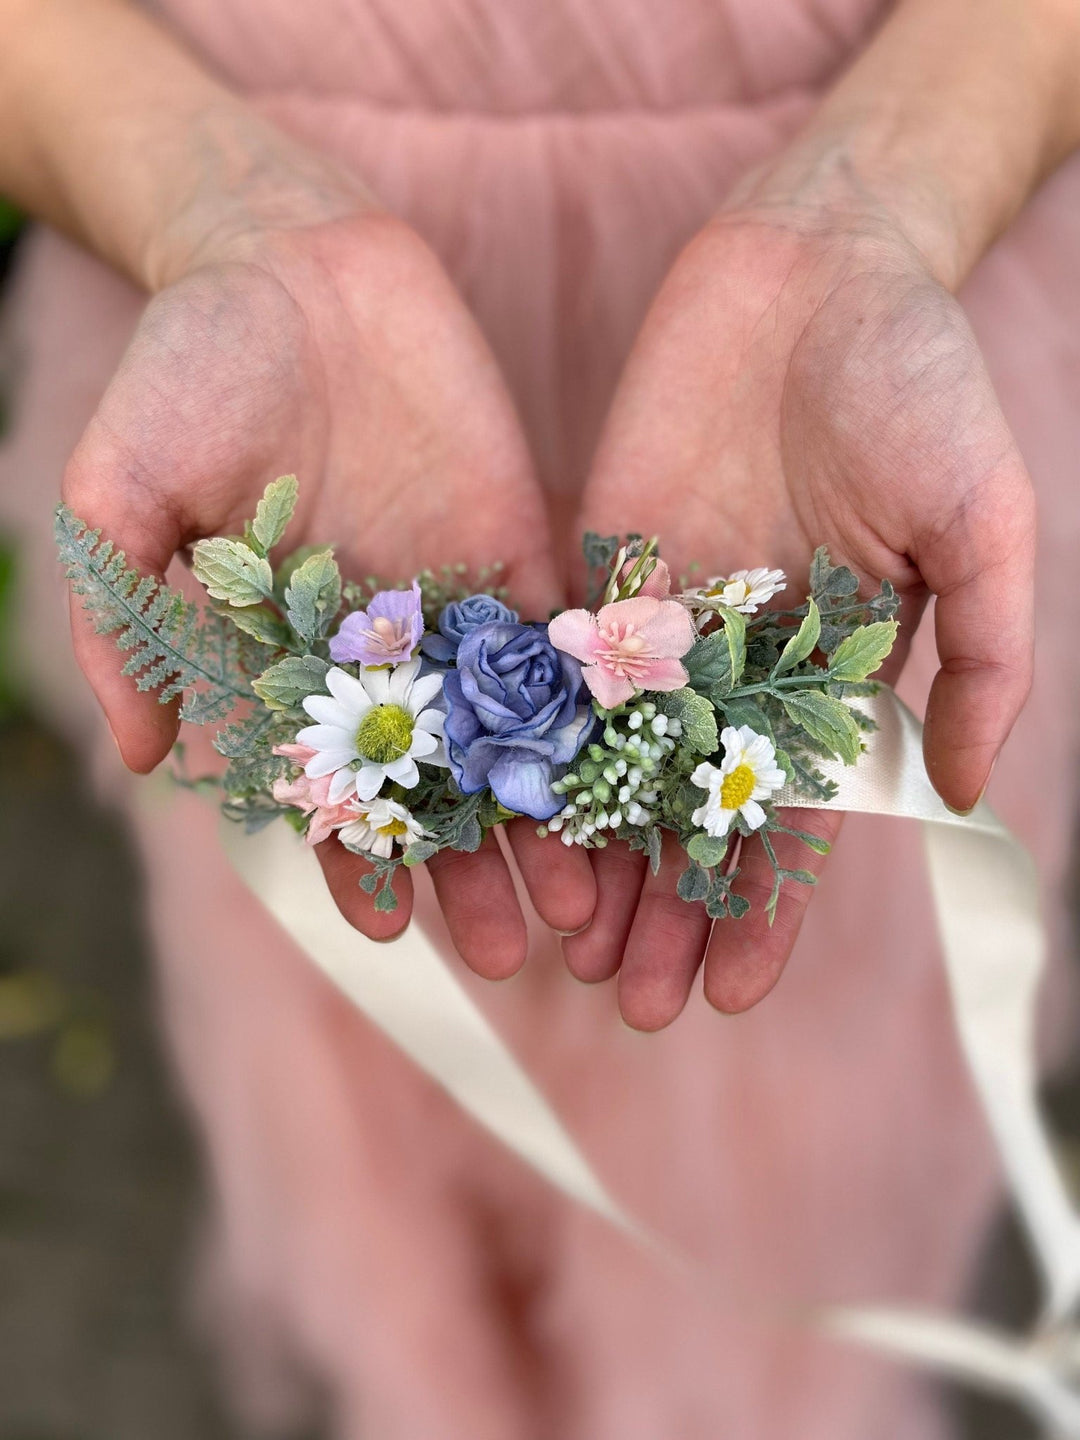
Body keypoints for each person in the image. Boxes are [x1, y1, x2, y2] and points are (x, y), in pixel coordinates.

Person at [1, 0, 1078, 1433]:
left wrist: (878, 199)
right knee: (383, 1118)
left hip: (849, 343)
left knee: (784, 1144)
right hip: (274, 350)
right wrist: (216, 201)